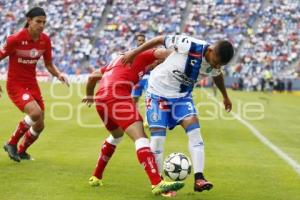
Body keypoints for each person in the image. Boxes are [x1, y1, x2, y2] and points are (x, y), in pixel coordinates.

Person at [122, 35, 234, 194]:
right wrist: (134, 52)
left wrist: (225, 96)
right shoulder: (190, 45)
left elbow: (217, 75)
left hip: (182, 98)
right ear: (210, 50)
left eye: (219, 64)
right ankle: (158, 183)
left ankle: (199, 178)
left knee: (196, 133)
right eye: (215, 61)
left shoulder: (215, 64)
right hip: (157, 93)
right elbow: (159, 39)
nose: (215, 65)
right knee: (158, 139)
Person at [81, 47, 184, 195]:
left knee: (117, 135)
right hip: (116, 96)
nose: (160, 64)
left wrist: (90, 96)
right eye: (160, 62)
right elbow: (163, 52)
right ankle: (157, 182)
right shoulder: (144, 54)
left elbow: (92, 77)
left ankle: (96, 176)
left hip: (101, 99)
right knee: (140, 137)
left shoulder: (116, 61)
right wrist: (179, 60)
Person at [0, 7, 68, 162]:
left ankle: (22, 151)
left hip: (32, 84)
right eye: (38, 21)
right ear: (29, 21)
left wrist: (59, 74)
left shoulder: (45, 40)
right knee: (35, 113)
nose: (42, 25)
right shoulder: (14, 39)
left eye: (44, 22)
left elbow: (49, 64)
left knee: (39, 125)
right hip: (15, 85)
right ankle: (11, 143)